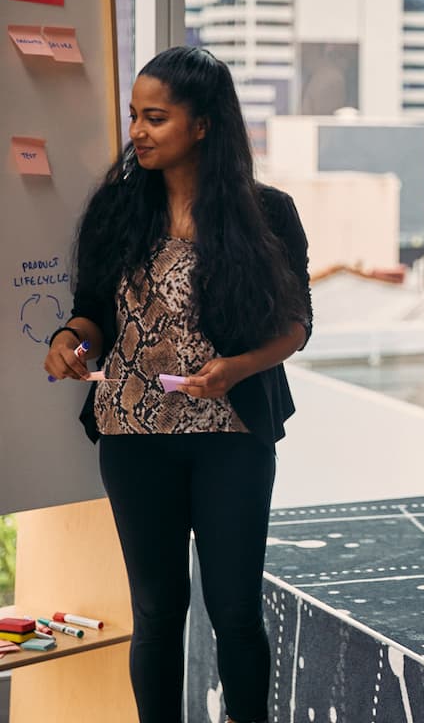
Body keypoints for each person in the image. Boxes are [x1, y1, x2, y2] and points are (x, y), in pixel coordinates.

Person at [42, 47, 311, 723]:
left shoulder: (268, 213)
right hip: (132, 437)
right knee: (158, 614)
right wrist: (70, 344)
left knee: (236, 614)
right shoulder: (116, 210)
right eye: (135, 115)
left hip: (232, 438)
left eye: (156, 117)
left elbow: (298, 326)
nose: (138, 131)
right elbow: (90, 315)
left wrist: (238, 369)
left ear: (204, 124)